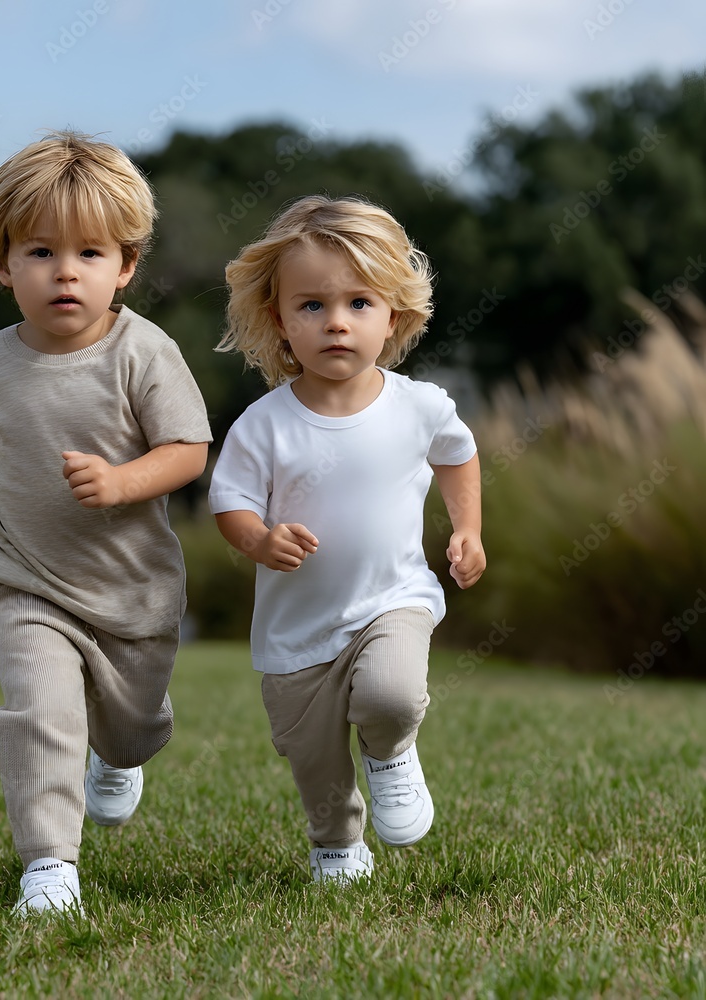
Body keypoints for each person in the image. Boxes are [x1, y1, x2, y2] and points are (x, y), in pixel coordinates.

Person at [0, 130, 211, 915]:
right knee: (40, 711)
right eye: (40, 252)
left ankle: (122, 757)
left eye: (90, 254)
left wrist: (125, 481)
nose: (65, 272)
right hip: (26, 581)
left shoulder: (143, 353)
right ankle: (49, 868)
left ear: (125, 267)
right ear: (3, 263)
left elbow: (189, 450)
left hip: (132, 592)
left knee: (129, 729)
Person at [209, 195, 485, 883]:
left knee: (391, 695)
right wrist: (259, 540)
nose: (336, 322)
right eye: (312, 306)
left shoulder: (419, 406)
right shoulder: (263, 425)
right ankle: (335, 845)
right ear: (279, 320)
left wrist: (468, 528)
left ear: (393, 314)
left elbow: (457, 455)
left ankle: (391, 750)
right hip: (296, 631)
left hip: (392, 599)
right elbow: (230, 504)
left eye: (359, 303)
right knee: (314, 759)